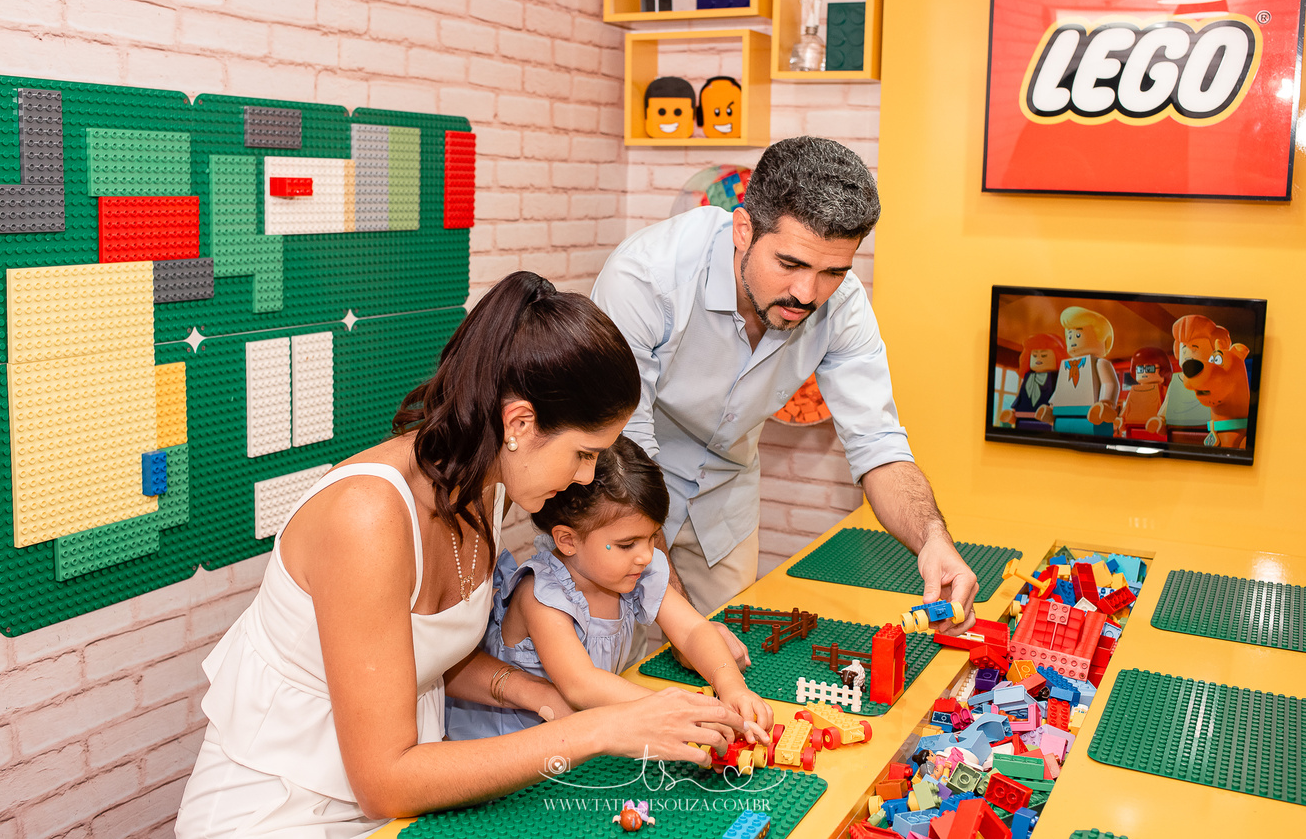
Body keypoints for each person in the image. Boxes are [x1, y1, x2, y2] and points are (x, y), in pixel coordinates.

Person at [176, 272, 746, 839]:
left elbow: (423, 654)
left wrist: (539, 695)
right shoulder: (367, 518)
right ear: (519, 423)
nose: (586, 476)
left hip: (404, 807)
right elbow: (385, 781)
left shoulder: (489, 486)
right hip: (283, 811)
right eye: (583, 453)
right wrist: (601, 729)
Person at [591, 136, 980, 659]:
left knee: (729, 666)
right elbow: (621, 452)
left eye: (833, 272)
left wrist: (933, 538)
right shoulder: (645, 279)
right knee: (612, 666)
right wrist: (684, 624)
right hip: (617, 492)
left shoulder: (842, 307)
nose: (807, 293)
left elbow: (878, 444)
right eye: (790, 263)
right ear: (743, 229)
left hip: (722, 499)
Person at [446, 436, 772, 740]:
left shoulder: (633, 571)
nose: (646, 555)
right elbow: (582, 685)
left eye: (651, 537)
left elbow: (692, 631)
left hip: (582, 732)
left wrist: (731, 686)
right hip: (512, 743)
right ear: (568, 540)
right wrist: (677, 710)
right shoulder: (541, 595)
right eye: (627, 544)